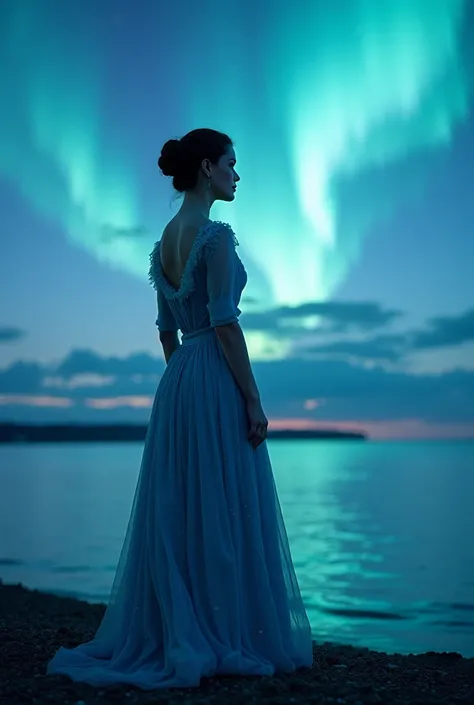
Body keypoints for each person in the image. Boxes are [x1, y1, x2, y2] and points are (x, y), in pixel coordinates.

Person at [46, 128, 313, 689]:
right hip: (212, 374)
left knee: (186, 502)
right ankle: (226, 628)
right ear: (208, 168)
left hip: (180, 381)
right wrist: (253, 399)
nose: (237, 175)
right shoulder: (214, 238)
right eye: (232, 165)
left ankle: (187, 621)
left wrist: (183, 383)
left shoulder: (163, 241)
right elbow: (224, 322)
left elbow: (167, 331)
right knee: (223, 499)